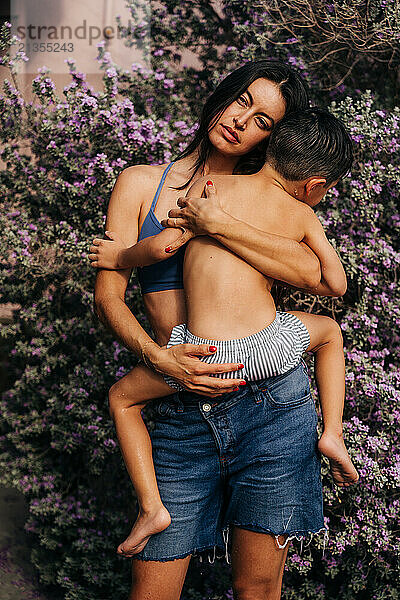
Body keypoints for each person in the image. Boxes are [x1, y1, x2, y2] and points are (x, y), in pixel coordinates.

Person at [93, 61, 348, 600]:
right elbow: (107, 299)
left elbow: (317, 278)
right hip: (180, 400)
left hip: (272, 405)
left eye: (262, 121)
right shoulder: (141, 183)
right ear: (222, 94)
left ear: (273, 139)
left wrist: (221, 225)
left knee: (258, 589)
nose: (241, 121)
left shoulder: (255, 199)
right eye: (242, 101)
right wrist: (159, 359)